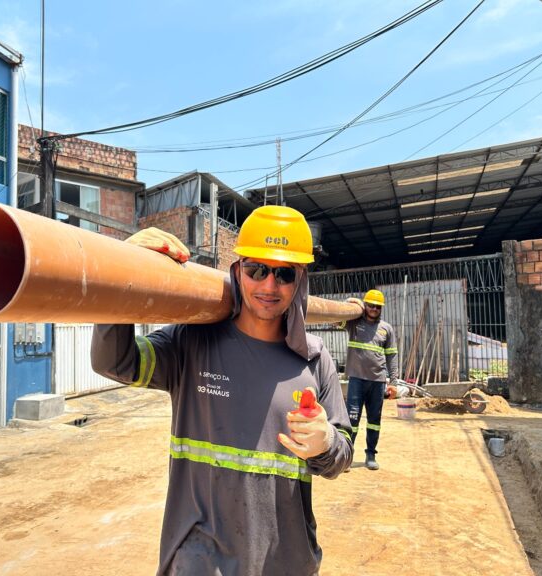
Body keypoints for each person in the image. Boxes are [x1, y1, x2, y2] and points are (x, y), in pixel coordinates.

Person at [91, 205, 354, 576]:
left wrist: (325, 442)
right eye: (256, 270)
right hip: (201, 562)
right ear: (237, 271)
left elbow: (342, 456)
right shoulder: (191, 341)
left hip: (286, 562)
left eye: (283, 274)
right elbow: (115, 362)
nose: (268, 285)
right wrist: (126, 269)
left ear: (300, 282)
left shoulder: (314, 360)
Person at [340, 289, 398, 471]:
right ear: (365, 306)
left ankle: (371, 454)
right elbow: (335, 318)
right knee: (352, 420)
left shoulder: (386, 329)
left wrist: (394, 382)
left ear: (381, 308)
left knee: (374, 420)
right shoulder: (354, 324)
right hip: (357, 380)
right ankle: (347, 457)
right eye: (370, 305)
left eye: (377, 306)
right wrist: (350, 301)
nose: (373, 308)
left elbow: (392, 356)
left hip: (377, 381)